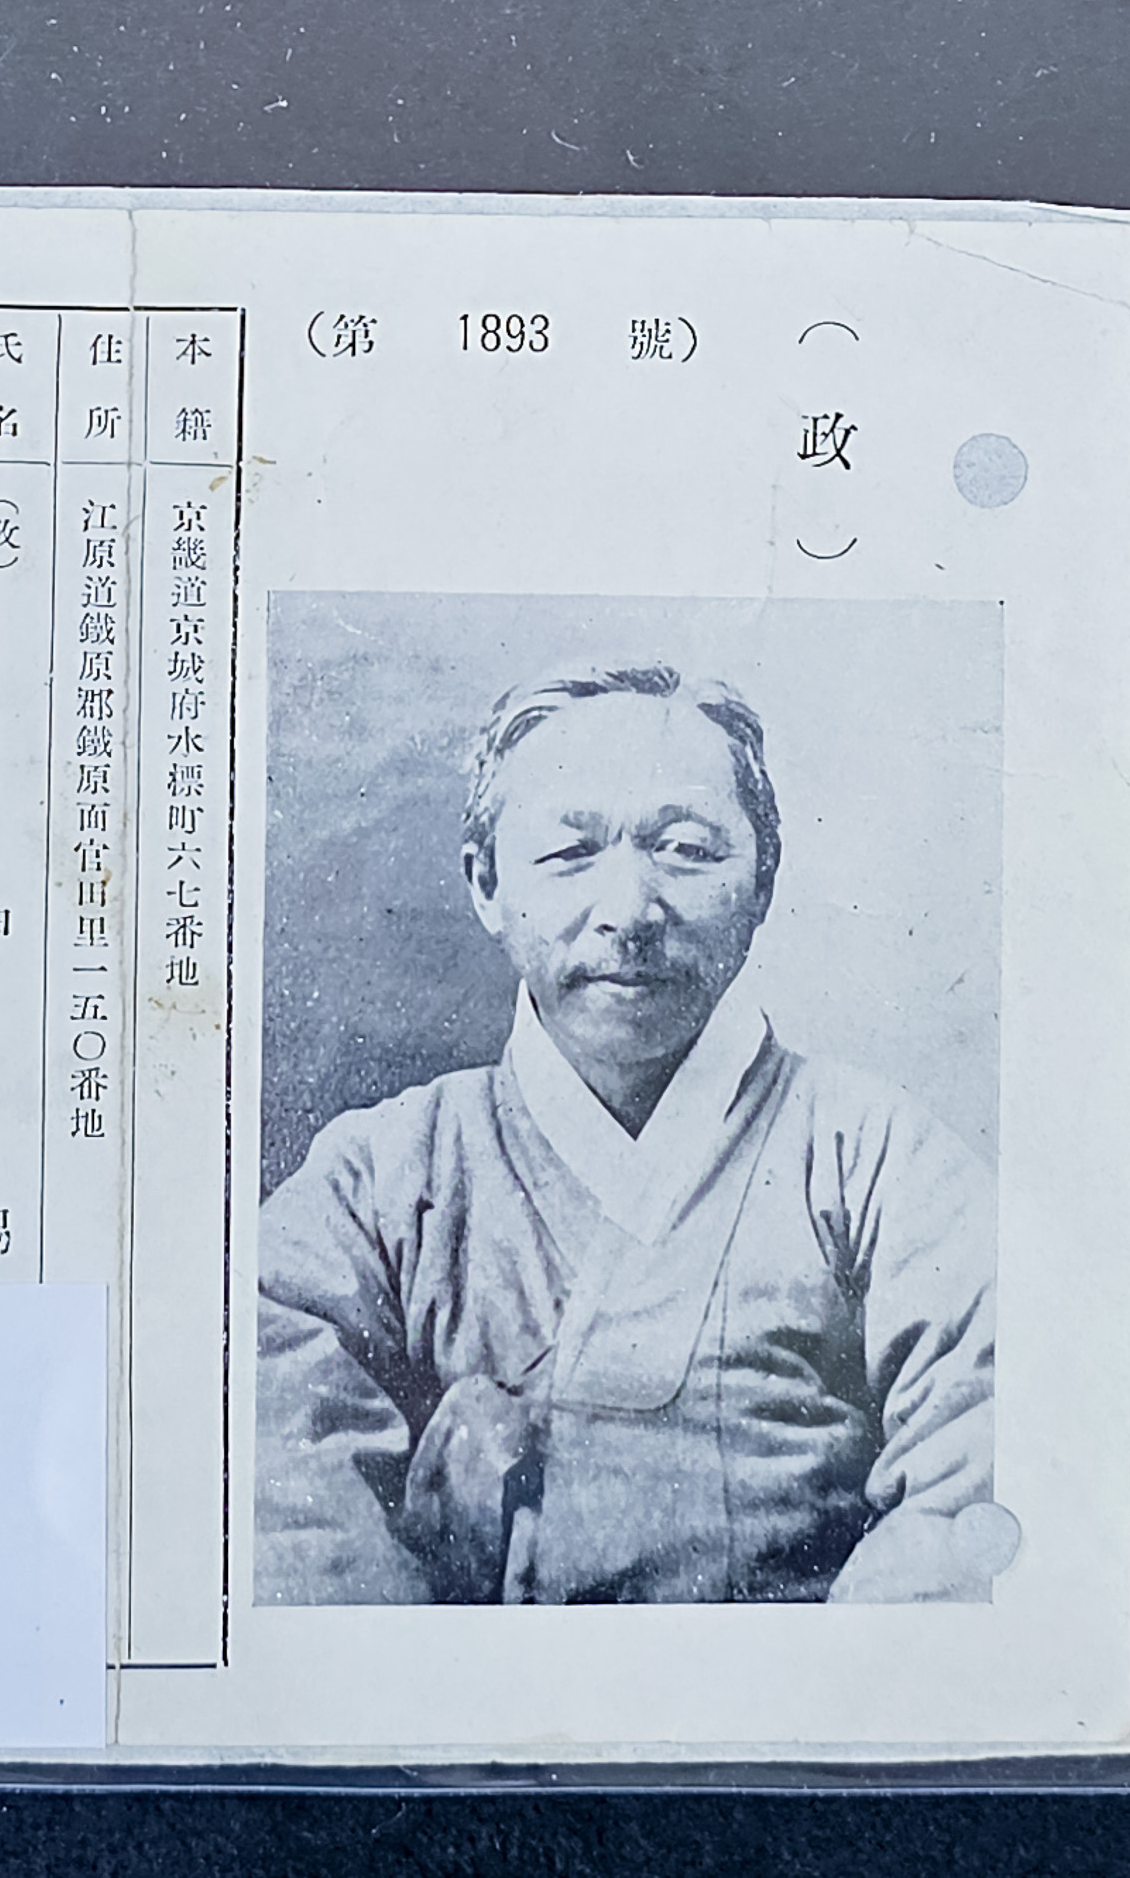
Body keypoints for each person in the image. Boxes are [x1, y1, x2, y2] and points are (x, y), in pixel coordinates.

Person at [252, 663, 1004, 1606]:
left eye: (686, 850)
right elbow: (281, 1489)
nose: (629, 912)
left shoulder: (876, 1160)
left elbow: (981, 1473)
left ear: (763, 881)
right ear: (486, 883)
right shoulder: (378, 1177)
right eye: (570, 852)